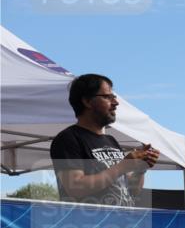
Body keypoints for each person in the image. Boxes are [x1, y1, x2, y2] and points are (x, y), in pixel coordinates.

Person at [49, 74, 159, 206]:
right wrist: (123, 166)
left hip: (122, 219)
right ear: (87, 101)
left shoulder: (111, 140)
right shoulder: (68, 139)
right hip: (89, 219)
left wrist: (140, 168)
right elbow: (76, 188)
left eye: (114, 97)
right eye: (107, 97)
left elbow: (132, 191)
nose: (115, 103)